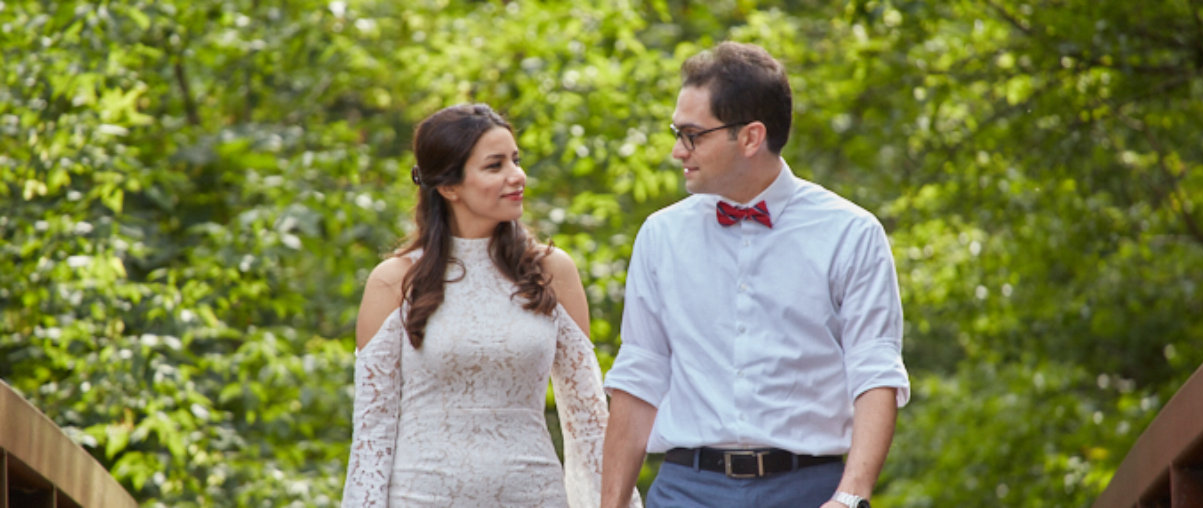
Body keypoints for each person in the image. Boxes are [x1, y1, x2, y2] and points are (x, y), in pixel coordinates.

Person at [599, 42, 910, 508]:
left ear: (750, 138)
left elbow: (875, 373)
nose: (677, 151)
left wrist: (850, 497)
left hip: (809, 491)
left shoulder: (851, 233)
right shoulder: (660, 236)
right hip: (685, 490)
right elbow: (640, 377)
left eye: (692, 135)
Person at [341, 104, 639, 507]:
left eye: (516, 160)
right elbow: (372, 435)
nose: (517, 176)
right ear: (449, 187)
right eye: (495, 165)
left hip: (535, 498)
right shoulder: (393, 281)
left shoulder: (552, 270)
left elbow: (588, 420)